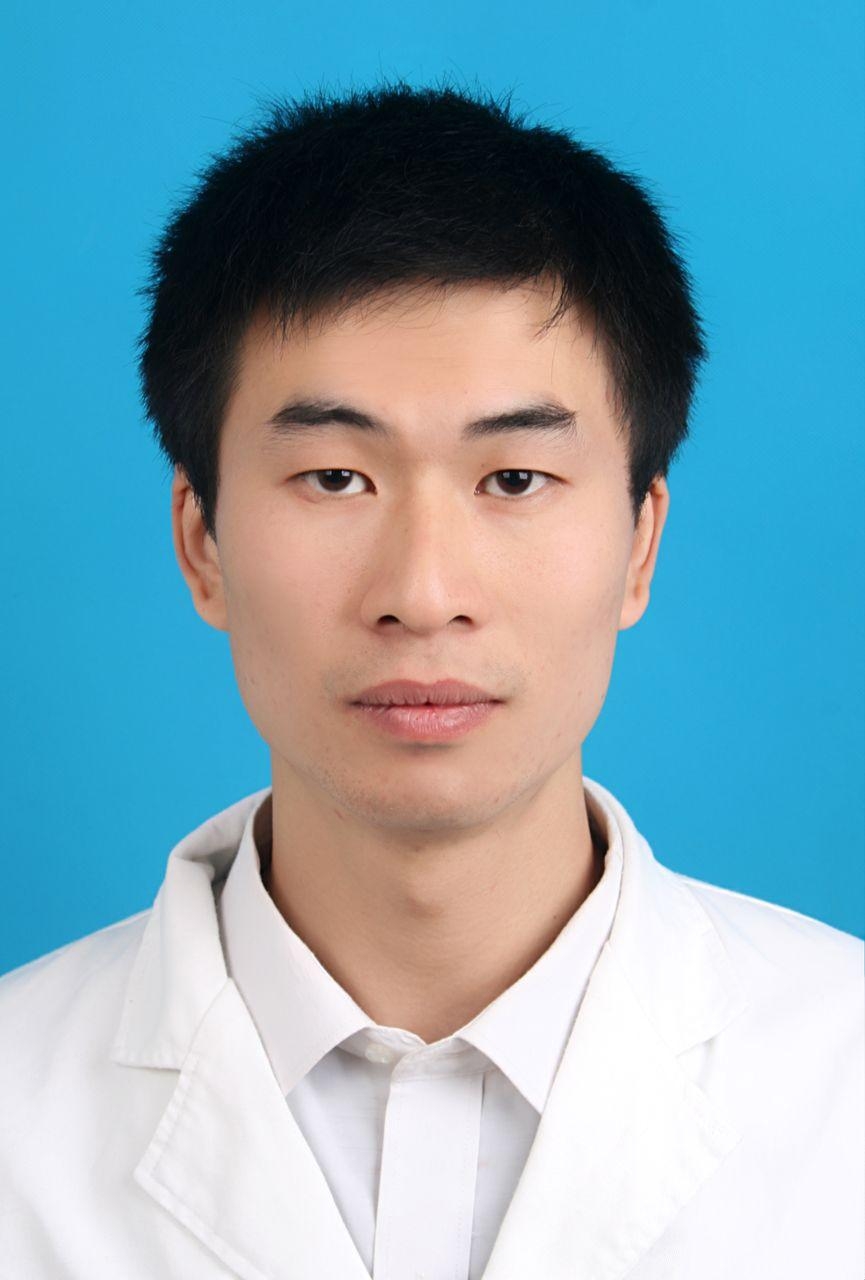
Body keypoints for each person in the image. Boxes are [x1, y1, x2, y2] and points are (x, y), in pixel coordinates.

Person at [1, 79, 862, 1280]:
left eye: (513, 478)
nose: (423, 590)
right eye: (335, 478)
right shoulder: (18, 1103)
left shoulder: (841, 1080)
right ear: (201, 542)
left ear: (639, 544)